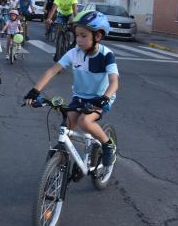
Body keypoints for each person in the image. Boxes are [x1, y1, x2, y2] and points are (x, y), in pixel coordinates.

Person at [24, 10, 119, 167]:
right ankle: (66, 160)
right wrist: (34, 91)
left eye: (83, 36)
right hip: (80, 96)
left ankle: (108, 145)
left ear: (97, 37)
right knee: (67, 125)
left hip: (100, 98)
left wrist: (104, 98)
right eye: (77, 35)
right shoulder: (73, 53)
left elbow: (114, 82)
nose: (78, 40)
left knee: (85, 121)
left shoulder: (106, 55)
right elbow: (52, 71)